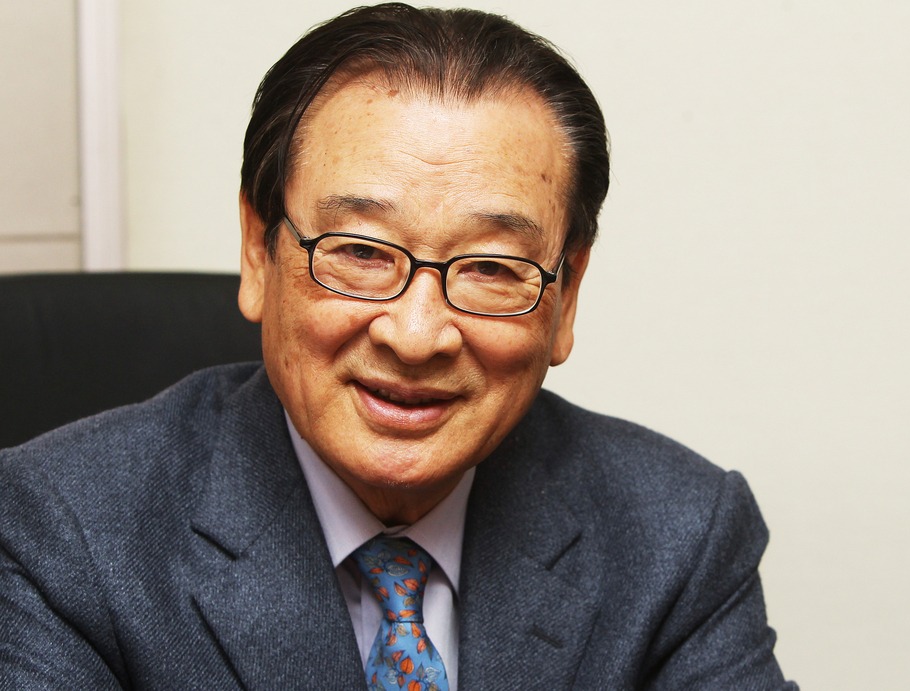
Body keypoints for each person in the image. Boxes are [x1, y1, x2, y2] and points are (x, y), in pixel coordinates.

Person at [0, 3, 796, 689]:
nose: (416, 336)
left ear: (567, 292)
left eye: (491, 267)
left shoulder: (680, 537)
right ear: (257, 250)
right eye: (359, 252)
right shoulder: (64, 532)